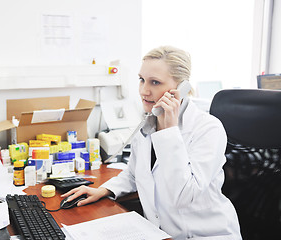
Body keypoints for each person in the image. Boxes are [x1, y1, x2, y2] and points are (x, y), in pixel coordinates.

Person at [62, 45, 242, 239]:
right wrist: (103, 189)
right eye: (141, 80)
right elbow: (134, 174)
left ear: (181, 88)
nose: (144, 91)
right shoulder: (149, 122)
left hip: (205, 235)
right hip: (160, 233)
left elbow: (183, 196)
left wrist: (169, 130)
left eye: (155, 82)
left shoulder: (208, 129)